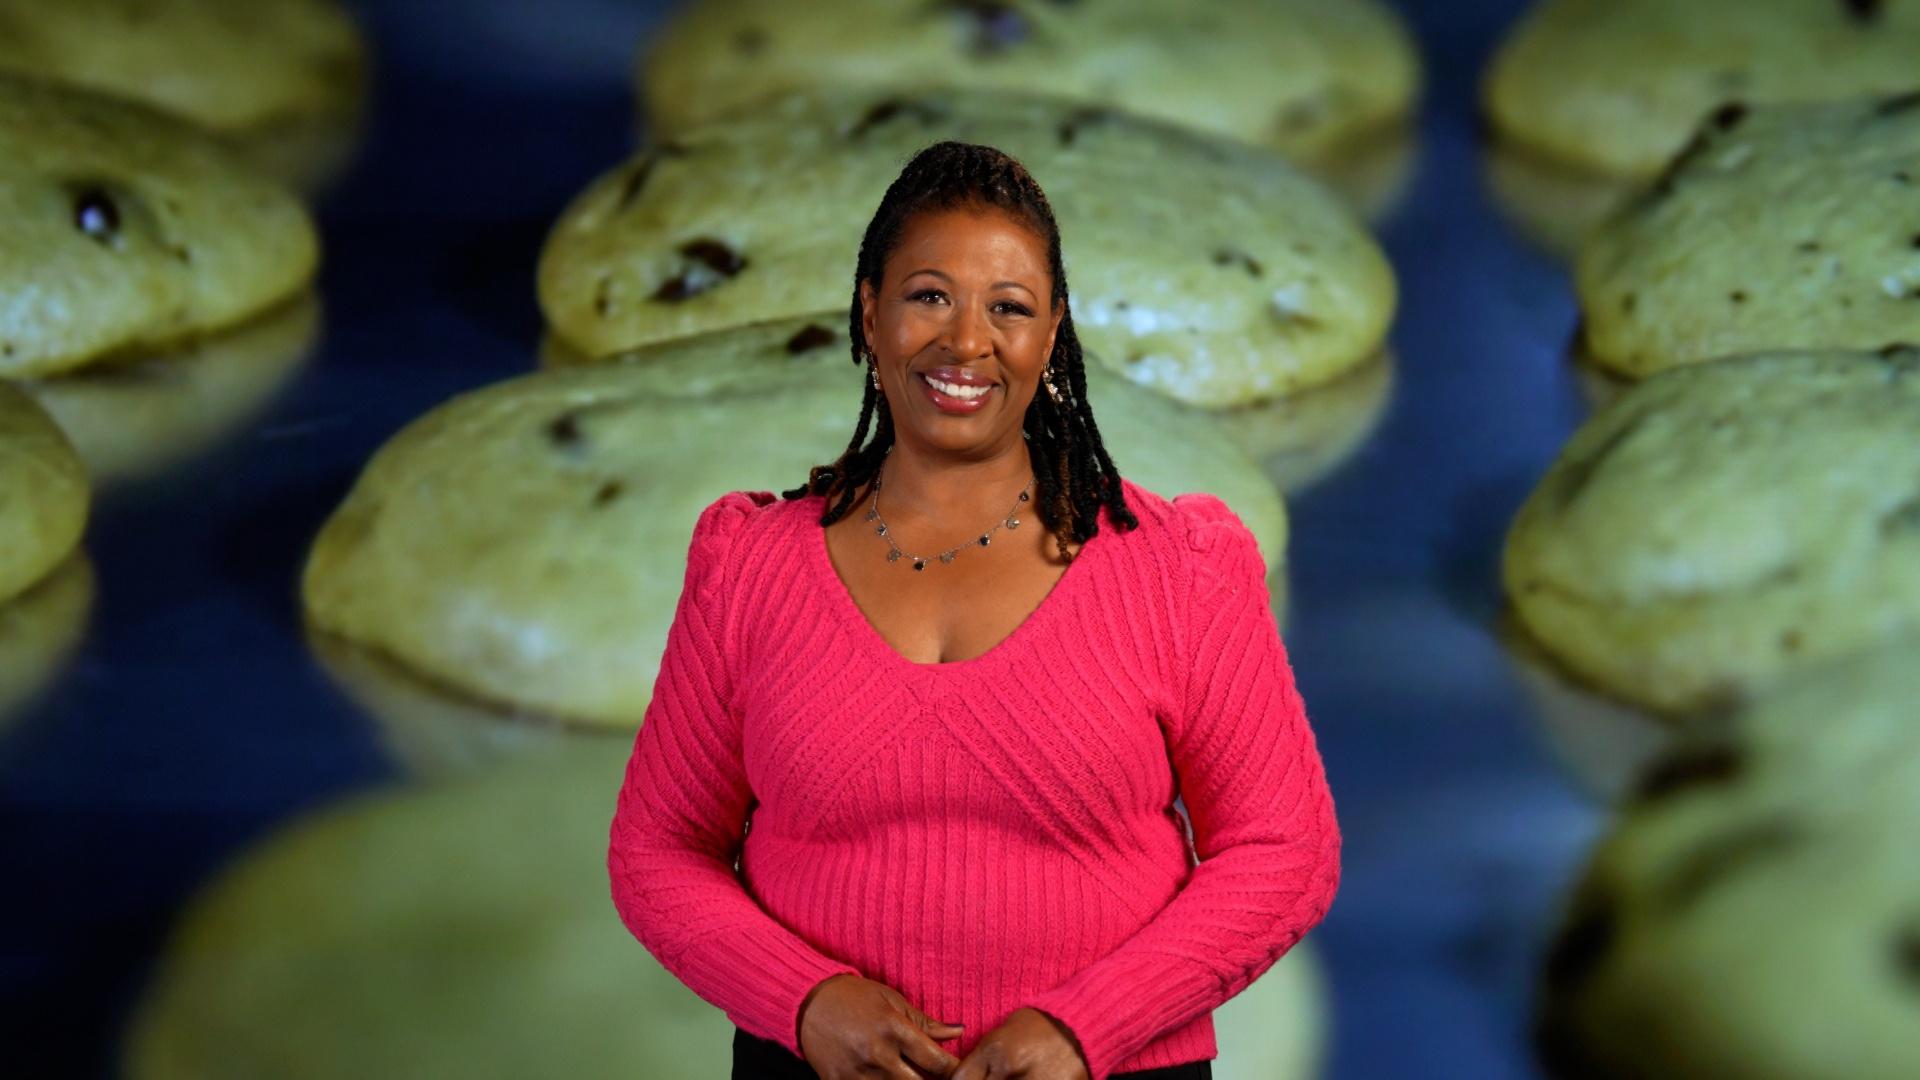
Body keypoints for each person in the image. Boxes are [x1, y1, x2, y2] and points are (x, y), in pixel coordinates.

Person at [607, 140, 1340, 1080]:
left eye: (1010, 309)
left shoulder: (1179, 569)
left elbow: (1286, 850)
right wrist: (802, 1000)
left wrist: (1089, 1027)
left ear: (1053, 333)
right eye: (928, 297)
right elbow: (657, 851)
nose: (966, 343)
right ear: (869, 313)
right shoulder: (750, 565)